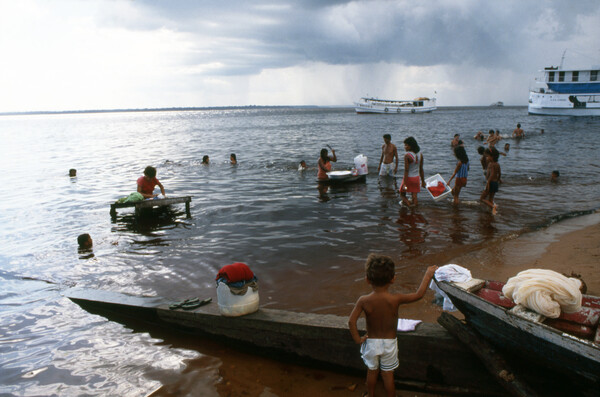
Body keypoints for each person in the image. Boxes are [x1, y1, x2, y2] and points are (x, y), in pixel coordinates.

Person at [348, 254, 437, 397]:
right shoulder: (395, 299)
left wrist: (358, 340)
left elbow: (351, 321)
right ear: (393, 279)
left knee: (372, 371)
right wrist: (428, 274)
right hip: (389, 344)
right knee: (387, 375)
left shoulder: (363, 300)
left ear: (367, 280)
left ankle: (370, 395)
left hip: (371, 343)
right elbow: (419, 294)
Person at [399, 137, 425, 206]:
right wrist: (423, 181)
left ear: (411, 146)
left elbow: (406, 170)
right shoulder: (420, 154)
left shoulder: (407, 156)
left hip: (409, 179)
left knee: (402, 194)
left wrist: (404, 183)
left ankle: (409, 206)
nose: (405, 147)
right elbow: (421, 169)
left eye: (406, 145)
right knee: (414, 196)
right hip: (416, 178)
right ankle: (415, 210)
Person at [480, 148, 501, 215]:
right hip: (495, 183)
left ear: (492, 157)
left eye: (487, 156)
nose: (486, 158)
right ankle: (492, 211)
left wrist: (488, 183)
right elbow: (499, 173)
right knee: (491, 198)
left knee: (482, 198)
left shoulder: (491, 164)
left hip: (490, 183)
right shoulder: (497, 164)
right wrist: (498, 180)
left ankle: (493, 206)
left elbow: (491, 174)